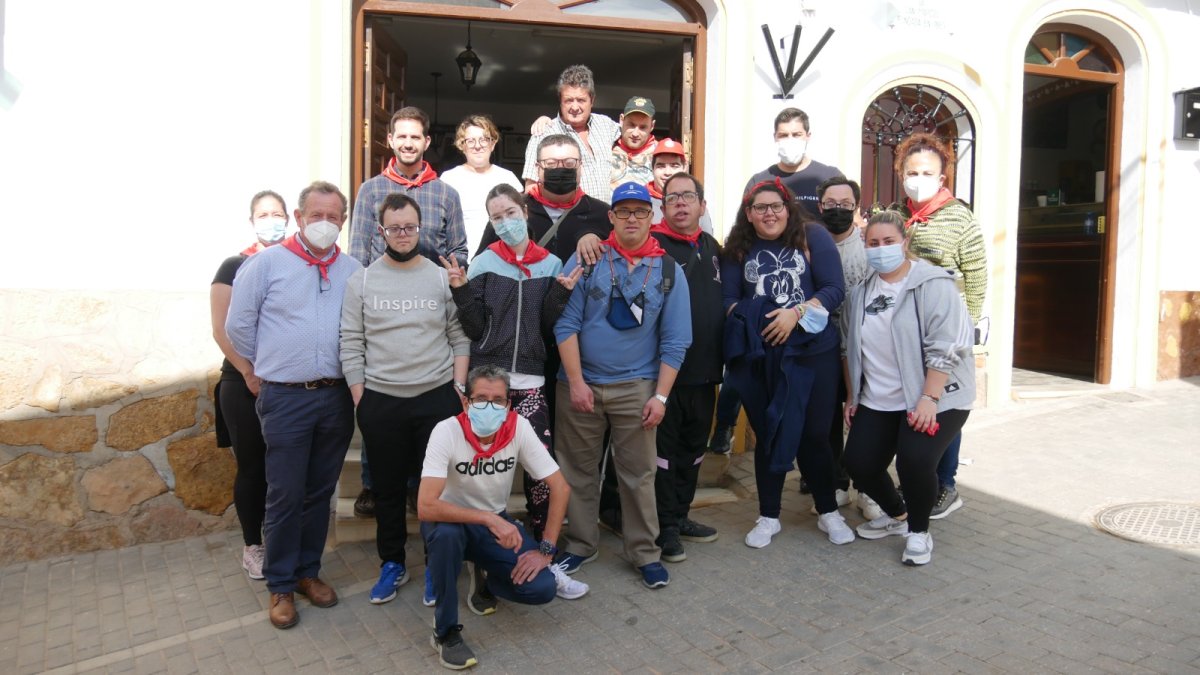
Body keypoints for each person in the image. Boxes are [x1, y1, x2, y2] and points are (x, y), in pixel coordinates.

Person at [225, 181, 362, 629]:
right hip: (284, 395)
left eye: (334, 216)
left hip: (335, 395)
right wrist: (266, 365)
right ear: (300, 218)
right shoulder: (266, 265)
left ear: (343, 221)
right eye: (316, 215)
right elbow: (239, 325)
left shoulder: (352, 269)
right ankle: (280, 584)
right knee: (284, 492)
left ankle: (308, 572)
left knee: (319, 491)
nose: (325, 223)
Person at [552, 182, 692, 589]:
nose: (632, 219)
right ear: (610, 217)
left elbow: (676, 339)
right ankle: (580, 544)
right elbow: (565, 323)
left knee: (638, 474)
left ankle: (644, 552)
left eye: (641, 211)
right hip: (579, 385)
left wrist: (661, 396)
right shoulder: (586, 259)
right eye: (623, 211)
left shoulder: (668, 271)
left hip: (638, 387)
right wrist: (576, 382)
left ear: (653, 218)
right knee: (577, 471)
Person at [339, 193, 470, 606]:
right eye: (394, 228)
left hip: (435, 398)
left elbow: (459, 336)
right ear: (381, 232)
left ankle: (435, 564)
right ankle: (391, 562)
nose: (402, 234)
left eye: (409, 227)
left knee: (434, 490)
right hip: (382, 401)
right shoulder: (362, 281)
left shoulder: (437, 277)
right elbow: (351, 341)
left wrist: (458, 388)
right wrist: (362, 397)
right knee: (389, 491)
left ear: (420, 229)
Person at [419, 365, 588, 670]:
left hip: (493, 523)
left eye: (498, 400)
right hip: (449, 522)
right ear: (466, 402)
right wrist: (488, 519)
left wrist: (546, 551)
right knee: (445, 538)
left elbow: (560, 487)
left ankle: (488, 578)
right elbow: (426, 506)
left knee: (542, 588)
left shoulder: (518, 427)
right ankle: (445, 633)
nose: (490, 406)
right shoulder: (447, 431)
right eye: (481, 398)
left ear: (508, 404)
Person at [348, 105, 468, 518]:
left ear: (426, 142)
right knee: (380, 410)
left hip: (430, 302)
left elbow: (458, 248)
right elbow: (359, 249)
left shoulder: (445, 193)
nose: (408, 143)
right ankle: (373, 485)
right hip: (383, 301)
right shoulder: (370, 191)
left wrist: (451, 280)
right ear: (391, 140)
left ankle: (423, 491)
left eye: (415, 136)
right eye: (401, 136)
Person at [721, 179, 853, 549]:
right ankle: (769, 515)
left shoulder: (814, 236)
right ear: (749, 214)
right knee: (770, 433)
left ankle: (827, 510)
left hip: (813, 353)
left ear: (788, 206)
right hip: (762, 356)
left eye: (775, 205)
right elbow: (727, 300)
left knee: (814, 434)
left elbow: (833, 288)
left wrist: (795, 312)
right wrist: (760, 316)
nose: (769, 213)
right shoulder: (737, 249)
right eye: (760, 208)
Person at [447, 184, 582, 544]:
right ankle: (482, 537)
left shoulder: (551, 264)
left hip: (531, 382)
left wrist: (561, 294)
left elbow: (547, 327)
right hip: (490, 382)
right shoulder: (484, 262)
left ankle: (541, 538)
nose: (505, 222)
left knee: (539, 467)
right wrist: (461, 290)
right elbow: (474, 327)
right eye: (496, 217)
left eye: (510, 213)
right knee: (484, 464)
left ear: (524, 211)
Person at [840, 210, 975, 566]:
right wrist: (853, 396)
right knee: (859, 462)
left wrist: (929, 398)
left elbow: (947, 344)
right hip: (879, 397)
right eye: (872, 243)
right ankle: (898, 516)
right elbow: (851, 348)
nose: (880, 249)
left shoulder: (932, 283)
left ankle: (918, 532)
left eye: (888, 242)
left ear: (905, 242)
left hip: (936, 395)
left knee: (915, 461)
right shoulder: (861, 293)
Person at [892, 132, 987, 519]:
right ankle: (919, 474)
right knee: (916, 401)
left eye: (927, 172)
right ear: (902, 175)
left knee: (946, 402)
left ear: (942, 177)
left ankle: (945, 484)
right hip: (906, 329)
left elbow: (976, 273)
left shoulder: (959, 216)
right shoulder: (898, 215)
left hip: (946, 328)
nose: (919, 178)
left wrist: (970, 324)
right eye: (912, 172)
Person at [210, 190, 289, 581]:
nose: (271, 220)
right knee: (253, 468)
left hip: (286, 381)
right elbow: (221, 329)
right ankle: (252, 545)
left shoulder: (296, 264)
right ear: (252, 220)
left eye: (277, 214)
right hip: (244, 383)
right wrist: (248, 372)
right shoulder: (234, 266)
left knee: (284, 470)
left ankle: (281, 540)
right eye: (264, 214)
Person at [647, 172, 724, 562]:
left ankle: (681, 514)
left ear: (701, 206)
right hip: (665, 376)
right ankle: (664, 528)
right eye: (672, 197)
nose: (680, 203)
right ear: (662, 208)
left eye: (688, 196)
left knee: (694, 452)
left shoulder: (713, 248)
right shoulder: (651, 246)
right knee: (663, 455)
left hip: (706, 373)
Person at [813, 176, 880, 520]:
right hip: (823, 346)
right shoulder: (809, 244)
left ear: (856, 207)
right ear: (820, 205)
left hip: (863, 347)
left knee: (865, 418)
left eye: (845, 204)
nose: (837, 210)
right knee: (827, 420)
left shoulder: (869, 248)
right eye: (830, 204)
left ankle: (869, 487)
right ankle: (837, 483)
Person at [522, 65, 621, 201]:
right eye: (569, 100)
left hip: (607, 218)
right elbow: (531, 188)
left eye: (581, 100)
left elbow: (637, 135)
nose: (575, 107)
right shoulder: (544, 133)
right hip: (567, 217)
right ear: (560, 101)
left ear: (592, 100)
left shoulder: (605, 124)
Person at [439, 115, 523, 260]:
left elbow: (521, 222)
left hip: (504, 261)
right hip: (461, 263)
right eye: (470, 141)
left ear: (493, 144)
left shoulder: (509, 178)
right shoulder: (449, 179)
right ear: (461, 146)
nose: (478, 146)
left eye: (484, 139)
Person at [743, 107, 844, 216]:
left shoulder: (831, 177)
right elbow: (745, 223)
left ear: (807, 136)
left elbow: (851, 219)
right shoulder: (758, 181)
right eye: (783, 135)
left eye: (796, 135)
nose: (790, 140)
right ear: (775, 137)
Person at [646, 138, 714, 235]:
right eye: (661, 166)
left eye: (674, 166)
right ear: (652, 168)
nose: (668, 172)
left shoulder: (695, 202)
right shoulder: (642, 202)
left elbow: (706, 244)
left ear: (684, 167)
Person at [609, 96, 658, 190]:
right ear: (621, 120)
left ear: (652, 126)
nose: (635, 133)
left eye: (642, 127)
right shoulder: (607, 146)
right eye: (631, 125)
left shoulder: (660, 153)